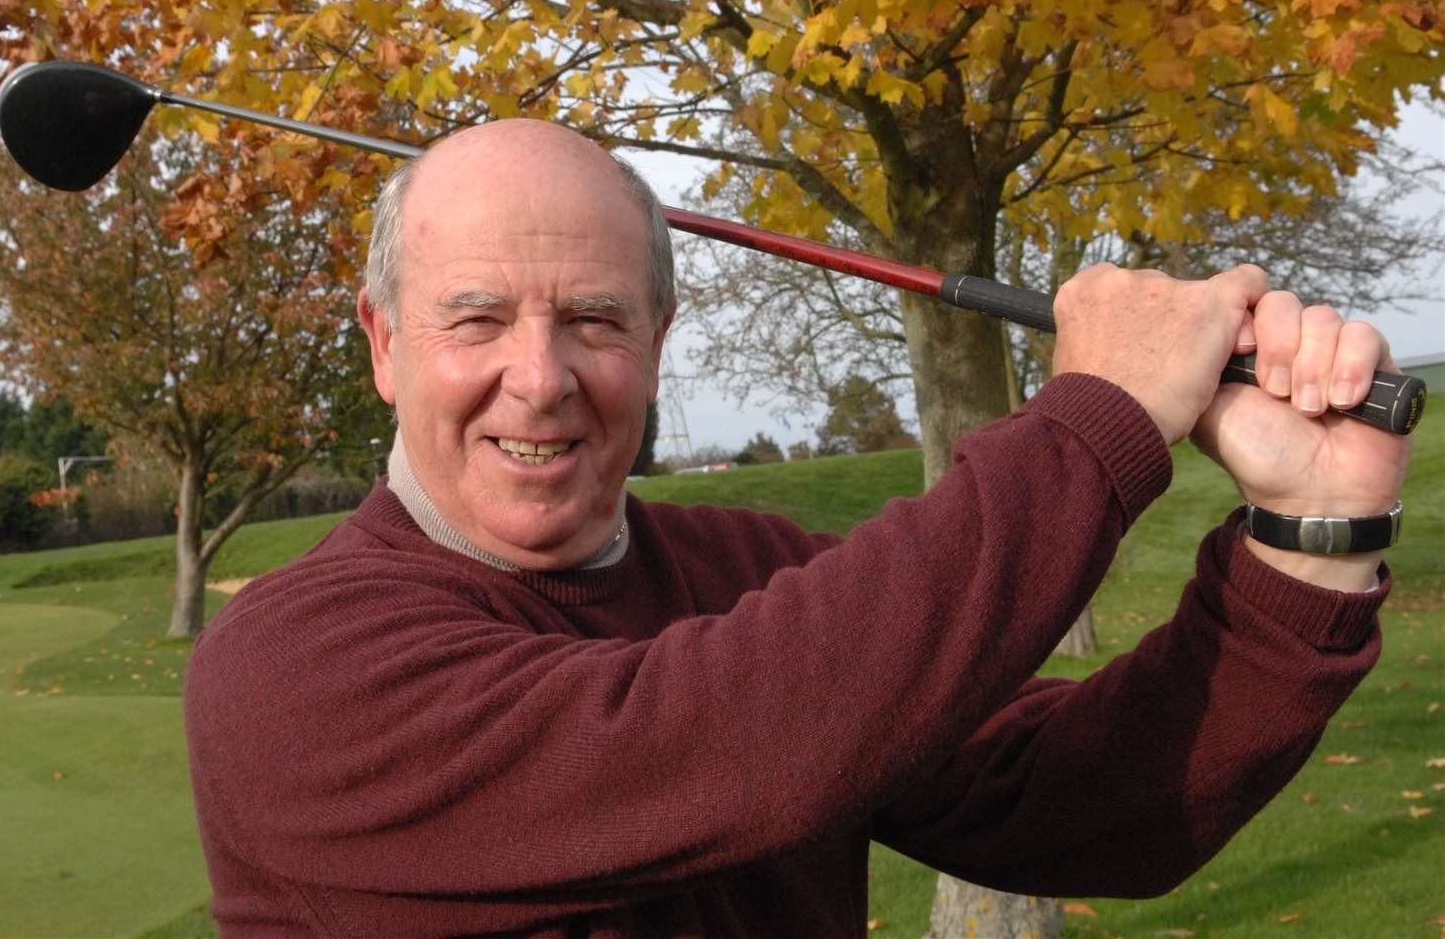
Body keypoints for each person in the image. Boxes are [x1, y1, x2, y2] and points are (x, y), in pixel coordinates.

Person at [184, 120, 1412, 937]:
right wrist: (1098, 421)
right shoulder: (292, 667)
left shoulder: (750, 573)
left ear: (661, 347)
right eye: (475, 320)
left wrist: (1311, 535)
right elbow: (715, 737)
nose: (542, 377)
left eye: (597, 320)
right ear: (385, 346)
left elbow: (1087, 804)